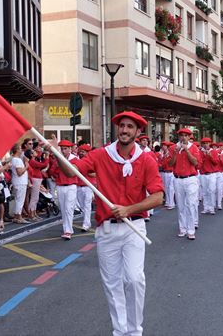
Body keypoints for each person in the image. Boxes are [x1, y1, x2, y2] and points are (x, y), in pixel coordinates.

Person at [54, 111, 163, 336]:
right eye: (121, 125)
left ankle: (134, 331)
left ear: (138, 132)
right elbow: (71, 172)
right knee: (112, 285)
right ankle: (120, 331)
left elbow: (158, 197)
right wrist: (55, 152)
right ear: (117, 129)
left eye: (130, 127)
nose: (124, 130)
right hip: (107, 230)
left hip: (135, 228)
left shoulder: (146, 159)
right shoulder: (101, 155)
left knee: (134, 279)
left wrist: (129, 209)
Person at [170, 128, 201, 240]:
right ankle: (182, 228)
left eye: (186, 135)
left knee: (191, 204)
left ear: (189, 137)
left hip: (190, 179)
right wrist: (175, 153)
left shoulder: (194, 148)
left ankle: (191, 229)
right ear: (179, 137)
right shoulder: (173, 148)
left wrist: (186, 151)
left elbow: (195, 163)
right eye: (181, 135)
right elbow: (170, 164)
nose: (183, 137)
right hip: (178, 179)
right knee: (181, 205)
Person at [50, 140, 79, 240]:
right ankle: (66, 229)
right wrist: (57, 165)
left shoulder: (75, 159)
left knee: (68, 208)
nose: (63, 150)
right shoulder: (57, 160)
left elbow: (74, 172)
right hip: (60, 186)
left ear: (70, 149)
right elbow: (52, 172)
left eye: (65, 148)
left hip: (71, 186)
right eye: (62, 149)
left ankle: (68, 231)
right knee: (63, 209)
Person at [76, 144, 95, 232]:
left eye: (83, 152)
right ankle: (86, 221)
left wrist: (91, 174)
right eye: (80, 152)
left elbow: (96, 173)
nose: (81, 153)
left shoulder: (92, 162)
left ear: (88, 153)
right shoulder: (77, 162)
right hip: (78, 186)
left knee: (87, 205)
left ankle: (86, 224)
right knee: (82, 206)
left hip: (88, 186)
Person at [200, 138, 219, 215]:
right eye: (204, 143)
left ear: (209, 144)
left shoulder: (213, 151)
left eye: (207, 143)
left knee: (211, 191)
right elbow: (200, 163)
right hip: (203, 174)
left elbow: (216, 163)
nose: (205, 144)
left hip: (212, 174)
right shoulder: (200, 152)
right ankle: (206, 207)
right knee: (204, 192)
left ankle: (211, 208)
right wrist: (204, 156)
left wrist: (210, 156)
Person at [10, 143, 28, 224]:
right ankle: (19, 216)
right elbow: (19, 172)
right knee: (20, 200)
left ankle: (16, 216)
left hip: (18, 182)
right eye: (20, 148)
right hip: (20, 182)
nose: (21, 150)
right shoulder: (17, 160)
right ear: (17, 150)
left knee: (18, 199)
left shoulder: (14, 159)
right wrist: (26, 166)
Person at [158, 141, 175, 210]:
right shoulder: (162, 154)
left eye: (164, 146)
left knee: (170, 188)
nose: (163, 147)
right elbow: (160, 162)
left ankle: (171, 203)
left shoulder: (170, 154)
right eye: (162, 145)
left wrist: (163, 160)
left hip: (170, 172)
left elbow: (168, 163)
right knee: (165, 188)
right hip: (164, 172)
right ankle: (168, 202)